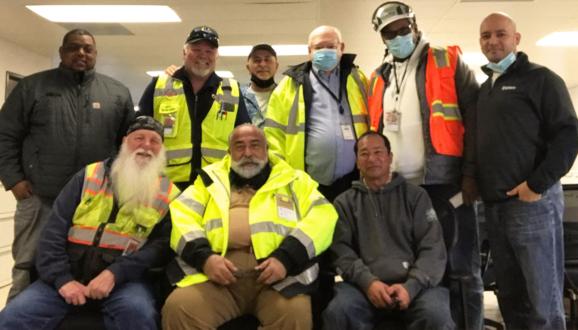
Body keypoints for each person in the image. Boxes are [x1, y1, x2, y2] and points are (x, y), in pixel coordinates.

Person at [0, 116, 180, 329]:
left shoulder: (168, 193)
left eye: (154, 141)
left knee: (139, 316)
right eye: (139, 138)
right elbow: (53, 232)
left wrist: (115, 274)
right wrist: (62, 280)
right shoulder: (88, 175)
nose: (146, 146)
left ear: (162, 149)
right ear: (124, 141)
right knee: (13, 317)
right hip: (68, 274)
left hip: (125, 282)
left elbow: (159, 249)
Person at [367, 2, 483, 328]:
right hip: (399, 191)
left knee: (459, 265)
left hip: (446, 185)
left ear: (415, 25)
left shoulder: (446, 60)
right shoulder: (379, 76)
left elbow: (474, 119)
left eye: (403, 28)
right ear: (381, 38)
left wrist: (471, 174)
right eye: (389, 33)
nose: (398, 36)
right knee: (416, 267)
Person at [0, 29, 135, 300]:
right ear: (62, 52)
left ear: (96, 55)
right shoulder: (32, 87)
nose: (81, 53)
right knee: (28, 263)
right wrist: (13, 179)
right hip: (40, 197)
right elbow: (5, 135)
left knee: (87, 264)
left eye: (88, 49)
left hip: (95, 201)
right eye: (74, 47)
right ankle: (19, 316)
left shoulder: (117, 93)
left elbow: (128, 146)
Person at [162, 124, 337, 330]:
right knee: (179, 308)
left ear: (266, 149)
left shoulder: (295, 181)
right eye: (239, 146)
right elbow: (183, 216)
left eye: (255, 145)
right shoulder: (208, 180)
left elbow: (324, 215)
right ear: (229, 153)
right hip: (216, 279)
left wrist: (286, 258)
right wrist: (205, 259)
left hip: (280, 280)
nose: (247, 153)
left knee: (295, 313)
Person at [476, 12, 578, 330]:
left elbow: (568, 135)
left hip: (532, 205)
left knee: (543, 303)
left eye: (501, 34)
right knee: (511, 299)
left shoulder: (542, 79)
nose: (493, 41)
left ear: (516, 39)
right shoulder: (485, 89)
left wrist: (536, 184)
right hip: (495, 209)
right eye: (486, 36)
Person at [322, 131, 454, 330]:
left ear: (390, 157)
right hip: (362, 287)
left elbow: (433, 249)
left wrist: (411, 287)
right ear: (357, 162)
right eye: (364, 154)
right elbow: (341, 252)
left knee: (436, 315)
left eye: (378, 152)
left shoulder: (417, 197)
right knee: (338, 312)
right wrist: (368, 283)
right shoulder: (344, 203)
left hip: (416, 287)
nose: (372, 159)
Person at [138, 25, 250, 191]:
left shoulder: (231, 90)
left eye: (209, 51)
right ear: (184, 52)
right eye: (196, 49)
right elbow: (138, 131)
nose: (203, 55)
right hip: (165, 186)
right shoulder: (160, 85)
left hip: (215, 185)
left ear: (216, 55)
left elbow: (244, 137)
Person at [265, 25, 369, 202]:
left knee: (349, 229)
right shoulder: (289, 86)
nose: (325, 52)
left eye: (330, 46)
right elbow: (273, 137)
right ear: (309, 51)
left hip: (353, 181)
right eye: (319, 47)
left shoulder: (358, 79)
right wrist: (284, 177)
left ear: (341, 48)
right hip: (307, 183)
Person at [242, 44, 279, 128]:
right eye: (257, 60)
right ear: (248, 67)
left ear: (276, 66)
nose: (262, 64)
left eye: (268, 60)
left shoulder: (286, 96)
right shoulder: (238, 97)